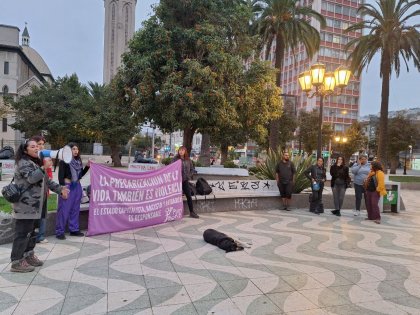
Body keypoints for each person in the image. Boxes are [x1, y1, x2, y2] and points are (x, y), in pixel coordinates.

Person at [10, 140, 68, 272]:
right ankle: (16, 262)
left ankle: (28, 255)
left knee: (33, 232)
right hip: (26, 206)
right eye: (33, 146)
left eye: (37, 146)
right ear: (25, 150)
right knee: (22, 234)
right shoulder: (23, 163)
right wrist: (43, 168)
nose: (37, 148)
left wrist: (60, 189)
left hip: (38, 205)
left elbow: (47, 181)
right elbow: (31, 178)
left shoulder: (35, 163)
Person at [56, 143, 90, 240]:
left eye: (77, 149)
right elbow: (60, 176)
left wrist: (87, 167)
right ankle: (60, 231)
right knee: (64, 209)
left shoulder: (78, 161)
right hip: (67, 186)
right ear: (68, 150)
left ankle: (74, 229)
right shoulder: (64, 161)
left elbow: (80, 175)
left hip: (77, 186)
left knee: (75, 209)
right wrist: (63, 189)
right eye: (73, 149)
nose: (75, 151)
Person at [30, 135, 52, 244]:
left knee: (43, 214)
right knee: (34, 214)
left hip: (44, 189)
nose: (41, 146)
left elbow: (49, 176)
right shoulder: (32, 160)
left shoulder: (45, 158)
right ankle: (33, 236)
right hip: (34, 192)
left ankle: (41, 235)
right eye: (39, 144)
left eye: (43, 144)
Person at [172, 146, 199, 218]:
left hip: (185, 180)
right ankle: (174, 213)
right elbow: (171, 168)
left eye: (182, 150)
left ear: (185, 152)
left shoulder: (188, 160)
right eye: (180, 150)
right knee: (176, 197)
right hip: (177, 181)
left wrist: (188, 176)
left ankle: (192, 212)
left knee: (189, 196)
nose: (181, 151)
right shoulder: (175, 159)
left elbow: (192, 169)